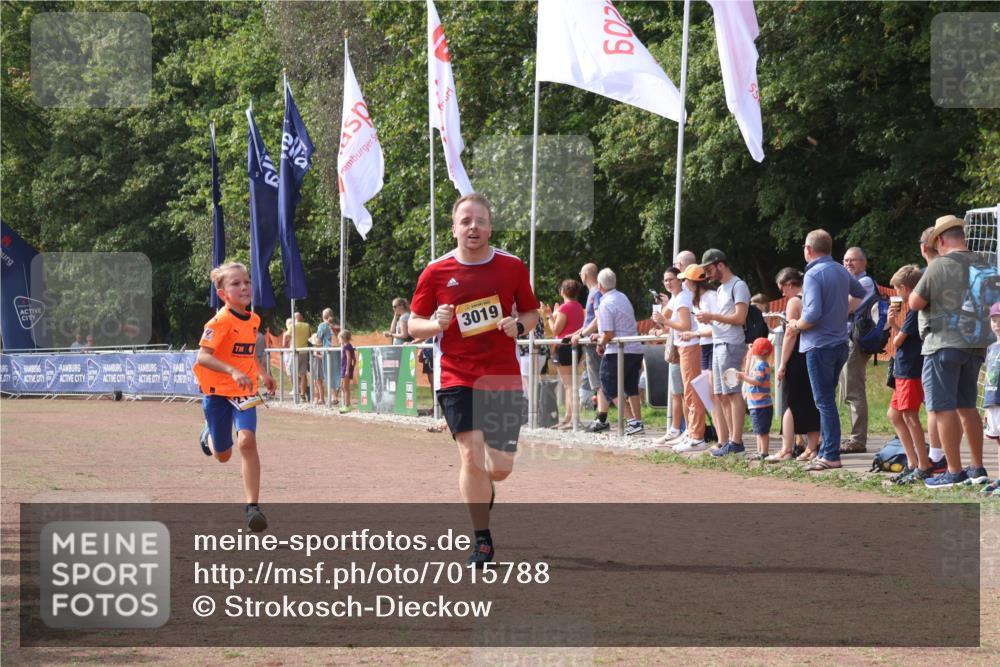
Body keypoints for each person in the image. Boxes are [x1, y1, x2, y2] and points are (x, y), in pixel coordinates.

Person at [407, 193, 539, 567]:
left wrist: (519, 325)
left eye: (480, 220)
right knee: (470, 454)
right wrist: (437, 324)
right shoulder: (435, 271)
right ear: (454, 228)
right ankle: (481, 539)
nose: (473, 227)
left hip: (501, 375)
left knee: (500, 467)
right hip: (456, 373)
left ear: (490, 226)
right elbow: (412, 324)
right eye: (465, 221)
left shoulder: (512, 266)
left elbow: (531, 311)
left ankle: (487, 487)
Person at [193, 262, 277, 532]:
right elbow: (203, 357)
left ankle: (253, 507)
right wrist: (230, 370)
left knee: (247, 441)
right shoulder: (218, 322)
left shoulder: (253, 320)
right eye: (236, 284)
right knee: (223, 456)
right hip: (217, 392)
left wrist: (263, 374)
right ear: (222, 294)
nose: (244, 287)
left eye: (247, 282)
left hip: (244, 390)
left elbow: (247, 351)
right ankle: (209, 433)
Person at [909, 214, 991, 488]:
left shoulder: (939, 265)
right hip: (976, 343)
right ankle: (977, 467)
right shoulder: (985, 264)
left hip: (943, 342)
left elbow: (915, 302)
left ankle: (954, 471)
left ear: (941, 240)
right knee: (968, 407)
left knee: (943, 408)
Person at [788, 230, 866, 471]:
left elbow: (811, 315)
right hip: (840, 343)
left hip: (819, 344)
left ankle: (830, 454)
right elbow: (861, 292)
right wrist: (842, 311)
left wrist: (795, 325)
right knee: (827, 401)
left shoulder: (812, 274)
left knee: (824, 402)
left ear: (809, 250)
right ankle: (827, 450)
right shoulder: (841, 270)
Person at [574, 268, 644, 435]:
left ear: (600, 285)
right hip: (635, 348)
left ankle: (632, 422)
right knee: (631, 387)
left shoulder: (605, 303)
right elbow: (617, 328)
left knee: (607, 386)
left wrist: (600, 343)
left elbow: (609, 334)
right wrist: (601, 336)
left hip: (619, 352)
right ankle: (638, 422)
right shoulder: (623, 297)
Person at [696, 249, 750, 456]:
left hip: (730, 344)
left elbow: (739, 318)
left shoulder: (738, 285)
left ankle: (737, 442)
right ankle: (727, 441)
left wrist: (712, 316)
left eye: (709, 269)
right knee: (720, 394)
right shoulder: (720, 290)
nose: (707, 275)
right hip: (719, 344)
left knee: (732, 392)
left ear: (720, 265)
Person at [885, 264, 930, 484]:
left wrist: (893, 324)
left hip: (911, 369)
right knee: (894, 415)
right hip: (904, 369)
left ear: (904, 287)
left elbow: (898, 340)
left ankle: (923, 465)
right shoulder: (911, 310)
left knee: (910, 416)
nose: (896, 294)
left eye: (897, 290)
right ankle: (912, 461)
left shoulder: (914, 308)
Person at [771, 268, 820, 462]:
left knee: (789, 403)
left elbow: (791, 334)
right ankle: (812, 448)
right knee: (811, 403)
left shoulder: (794, 301)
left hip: (796, 356)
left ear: (791, 284)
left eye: (782, 288)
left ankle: (786, 449)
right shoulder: (812, 297)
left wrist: (782, 363)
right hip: (811, 353)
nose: (782, 293)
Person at [839, 246, 877, 454]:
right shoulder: (849, 284)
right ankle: (852, 436)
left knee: (853, 390)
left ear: (863, 263)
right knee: (846, 390)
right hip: (847, 339)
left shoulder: (864, 282)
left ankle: (857, 439)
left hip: (856, 341)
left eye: (853, 260)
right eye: (845, 261)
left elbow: (846, 307)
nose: (848, 264)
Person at [671, 264, 711, 451]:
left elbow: (687, 325)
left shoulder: (704, 298)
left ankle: (697, 435)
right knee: (691, 390)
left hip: (694, 346)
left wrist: (664, 322)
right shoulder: (697, 298)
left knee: (693, 391)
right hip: (696, 345)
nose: (682, 282)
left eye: (685, 279)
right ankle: (693, 433)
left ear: (692, 282)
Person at [918, 225, 948, 475]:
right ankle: (953, 460)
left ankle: (938, 456)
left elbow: (915, 302)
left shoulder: (932, 271)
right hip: (960, 341)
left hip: (937, 342)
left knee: (935, 405)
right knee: (960, 407)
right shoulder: (956, 269)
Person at [651, 267, 691, 444]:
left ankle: (688, 431)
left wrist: (663, 322)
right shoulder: (675, 298)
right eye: (665, 280)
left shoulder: (683, 297)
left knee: (684, 392)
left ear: (680, 279)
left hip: (685, 347)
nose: (668, 282)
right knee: (677, 391)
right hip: (677, 347)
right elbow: (661, 320)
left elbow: (683, 324)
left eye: (671, 279)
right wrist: (660, 325)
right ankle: (678, 430)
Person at [542, 279, 585, 429]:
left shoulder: (564, 308)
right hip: (576, 347)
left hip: (564, 347)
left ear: (562, 291)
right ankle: (570, 417)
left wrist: (549, 315)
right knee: (572, 384)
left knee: (568, 385)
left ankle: (571, 419)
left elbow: (555, 331)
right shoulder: (579, 307)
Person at [740, 337, 774, 460]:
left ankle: (764, 452)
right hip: (756, 404)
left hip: (762, 404)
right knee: (758, 430)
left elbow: (757, 381)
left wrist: (744, 377)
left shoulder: (761, 365)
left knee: (762, 431)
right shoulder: (758, 363)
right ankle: (759, 451)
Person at [575, 263, 603, 410]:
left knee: (597, 382)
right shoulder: (593, 292)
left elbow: (598, 318)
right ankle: (601, 415)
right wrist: (576, 333)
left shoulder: (596, 292)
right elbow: (591, 320)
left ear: (585, 275)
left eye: (580, 273)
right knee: (596, 381)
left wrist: (581, 334)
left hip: (593, 343)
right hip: (590, 341)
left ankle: (601, 416)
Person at [981, 303, 1000, 496]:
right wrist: (986, 408)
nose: (997, 324)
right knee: (998, 442)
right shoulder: (991, 348)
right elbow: (988, 377)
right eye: (994, 320)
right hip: (993, 402)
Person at [315, 308, 338, 405]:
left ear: (323, 316)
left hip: (328, 351)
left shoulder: (322, 325)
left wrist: (316, 346)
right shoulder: (336, 325)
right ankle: (335, 396)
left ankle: (331, 397)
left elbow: (319, 340)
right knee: (336, 372)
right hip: (337, 350)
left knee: (327, 373)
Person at [338, 329, 356, 413]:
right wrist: (352, 367)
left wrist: (348, 370)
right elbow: (354, 359)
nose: (339, 340)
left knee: (345, 387)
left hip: (345, 369)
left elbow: (349, 358)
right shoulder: (350, 346)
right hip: (345, 369)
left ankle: (347, 405)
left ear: (343, 338)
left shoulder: (346, 347)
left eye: (339, 338)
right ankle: (346, 404)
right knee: (343, 387)